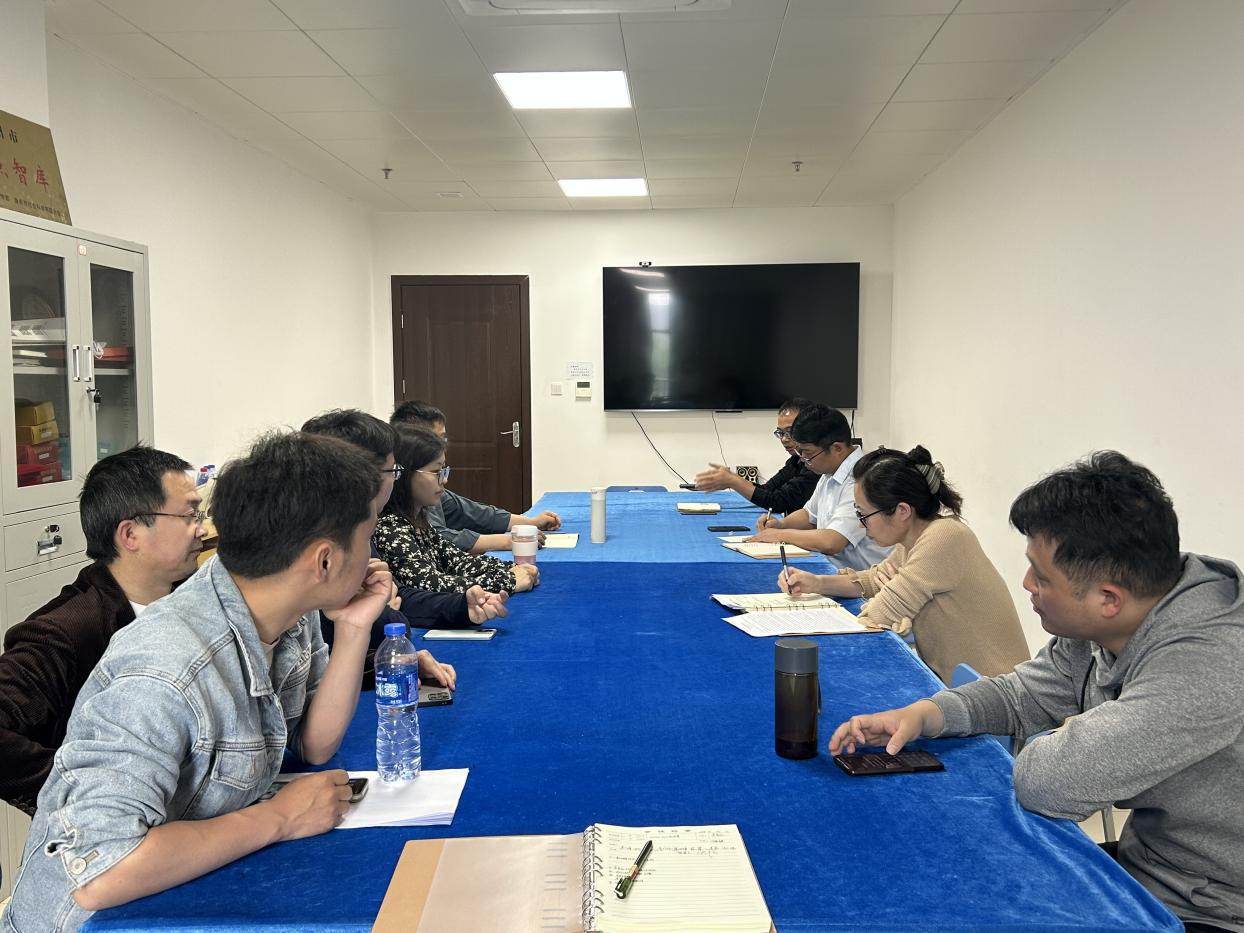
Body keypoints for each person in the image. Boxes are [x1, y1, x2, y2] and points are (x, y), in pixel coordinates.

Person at [3, 431, 420, 932]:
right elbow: (101, 870)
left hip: (181, 888)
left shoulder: (285, 605)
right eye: (367, 536)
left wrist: (353, 631)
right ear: (325, 561)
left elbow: (314, 744)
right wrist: (280, 818)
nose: (372, 554)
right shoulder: (163, 669)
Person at [828, 452, 1244, 933]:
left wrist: (1072, 738)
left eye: (1041, 577)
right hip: (1148, 870)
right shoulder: (1109, 622)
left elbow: (1048, 782)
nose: (1026, 584)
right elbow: (1021, 694)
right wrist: (925, 715)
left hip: (1212, 908)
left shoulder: (1209, 665)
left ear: (1108, 599)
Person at [0, 446, 205, 816]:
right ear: (130, 534)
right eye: (189, 515)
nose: (202, 529)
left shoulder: (194, 598)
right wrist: (87, 791)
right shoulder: (64, 631)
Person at [778, 446, 1029, 683]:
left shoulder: (944, 537)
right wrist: (816, 583)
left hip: (993, 695)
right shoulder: (916, 538)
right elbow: (873, 581)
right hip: (958, 685)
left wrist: (886, 597)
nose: (862, 526)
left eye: (864, 515)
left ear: (902, 511)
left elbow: (879, 614)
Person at [301, 409, 507, 641]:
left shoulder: (359, 525)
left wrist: (461, 607)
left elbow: (401, 597)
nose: (395, 478)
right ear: (363, 476)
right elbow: (386, 619)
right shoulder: (377, 528)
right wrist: (389, 616)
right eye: (394, 471)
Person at [374, 424, 539, 595]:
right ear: (404, 474)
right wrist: (508, 580)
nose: (444, 480)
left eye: (444, 471)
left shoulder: (418, 520)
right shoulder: (390, 527)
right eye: (436, 472)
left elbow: (457, 560)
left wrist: (513, 568)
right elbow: (429, 584)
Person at [390, 400, 560, 553]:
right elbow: (440, 540)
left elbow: (473, 513)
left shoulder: (430, 490)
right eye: (438, 439)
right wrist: (508, 541)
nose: (444, 446)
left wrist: (530, 522)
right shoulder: (393, 520)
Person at [748, 403, 891, 571]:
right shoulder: (830, 469)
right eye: (800, 452)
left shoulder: (862, 478)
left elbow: (832, 542)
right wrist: (781, 524)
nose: (803, 459)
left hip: (863, 578)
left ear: (837, 448)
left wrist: (779, 535)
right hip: (835, 571)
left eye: (808, 453)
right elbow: (810, 514)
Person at [692, 397, 819, 515]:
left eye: (790, 432)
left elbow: (777, 502)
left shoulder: (817, 466)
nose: (784, 439)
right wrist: (733, 480)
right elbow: (768, 490)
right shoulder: (795, 460)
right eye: (780, 433)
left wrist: (734, 481)